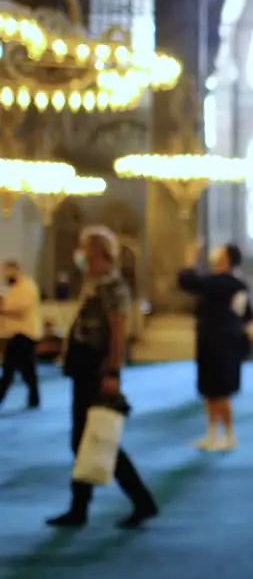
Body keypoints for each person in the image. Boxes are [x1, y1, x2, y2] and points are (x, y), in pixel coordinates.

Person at [47, 226, 158, 529]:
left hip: (97, 369)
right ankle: (81, 507)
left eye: (84, 249)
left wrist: (112, 372)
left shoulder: (112, 286)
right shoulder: (93, 284)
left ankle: (137, 501)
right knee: (83, 438)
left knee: (94, 437)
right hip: (82, 367)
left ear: (97, 253)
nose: (80, 256)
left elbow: (118, 332)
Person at [178, 240, 253, 452]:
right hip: (219, 341)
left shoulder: (223, 282)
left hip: (220, 343)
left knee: (220, 391)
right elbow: (246, 314)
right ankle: (212, 434)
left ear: (226, 258)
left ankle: (229, 435)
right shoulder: (238, 284)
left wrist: (190, 260)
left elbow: (187, 281)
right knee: (210, 391)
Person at [0, 260, 42, 410]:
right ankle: (34, 398)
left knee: (8, 369)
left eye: (7, 271)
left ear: (16, 270)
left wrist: (3, 310)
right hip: (14, 333)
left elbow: (22, 311)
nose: (5, 275)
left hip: (25, 333)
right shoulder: (11, 288)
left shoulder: (27, 286)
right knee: (27, 369)